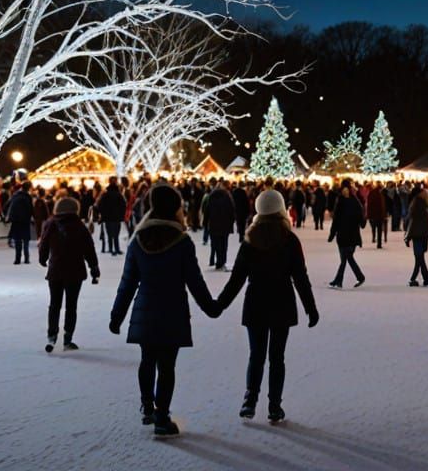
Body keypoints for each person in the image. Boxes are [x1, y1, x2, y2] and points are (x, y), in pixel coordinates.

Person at [109, 184, 221, 438]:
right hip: (172, 310)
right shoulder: (181, 242)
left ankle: (148, 406)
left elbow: (127, 282)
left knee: (147, 359)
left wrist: (117, 315)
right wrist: (211, 307)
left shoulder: (138, 240)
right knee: (167, 365)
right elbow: (195, 281)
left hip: (145, 309)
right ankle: (162, 416)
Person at [215, 189, 319, 423]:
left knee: (256, 355)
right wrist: (310, 308)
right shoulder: (289, 240)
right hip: (281, 302)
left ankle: (250, 400)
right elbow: (300, 277)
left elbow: (237, 279)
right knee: (277, 357)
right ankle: (274, 405)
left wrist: (219, 305)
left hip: (256, 303)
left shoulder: (251, 240)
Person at [39, 196, 100, 352]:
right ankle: (68, 338)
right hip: (75, 271)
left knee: (54, 305)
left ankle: (51, 336)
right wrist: (94, 267)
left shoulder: (51, 224)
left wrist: (43, 258)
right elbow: (89, 248)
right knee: (71, 306)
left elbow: (44, 243)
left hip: (56, 270)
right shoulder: (79, 226)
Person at [327, 180, 366, 288]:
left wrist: (362, 222)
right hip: (346, 234)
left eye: (346, 189)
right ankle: (340, 280)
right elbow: (337, 220)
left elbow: (359, 215)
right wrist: (332, 234)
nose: (345, 191)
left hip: (349, 234)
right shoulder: (347, 201)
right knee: (346, 258)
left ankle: (342, 279)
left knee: (346, 257)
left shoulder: (350, 201)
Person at [406, 186, 428, 286]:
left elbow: (412, 221)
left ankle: (424, 280)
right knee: (419, 258)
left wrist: (408, 235)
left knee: (419, 258)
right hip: (422, 234)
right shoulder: (423, 203)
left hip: (417, 234)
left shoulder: (416, 203)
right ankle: (416, 278)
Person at [204, 180, 236, 270]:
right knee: (224, 245)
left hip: (214, 224)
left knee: (216, 244)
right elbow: (231, 211)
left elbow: (207, 211)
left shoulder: (211, 197)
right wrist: (231, 222)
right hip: (225, 225)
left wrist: (205, 223)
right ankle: (222, 262)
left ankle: (217, 262)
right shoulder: (227, 197)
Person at [97, 179, 127, 256]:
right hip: (117, 217)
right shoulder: (119, 195)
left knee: (109, 234)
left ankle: (110, 248)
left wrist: (102, 214)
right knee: (116, 234)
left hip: (108, 218)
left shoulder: (105, 195)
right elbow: (123, 205)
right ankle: (117, 248)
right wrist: (121, 215)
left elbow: (100, 205)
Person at [7, 181, 34, 264]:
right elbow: (30, 209)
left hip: (16, 221)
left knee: (18, 240)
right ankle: (26, 258)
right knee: (26, 240)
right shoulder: (28, 197)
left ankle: (17, 259)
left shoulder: (16, 195)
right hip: (25, 221)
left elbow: (10, 206)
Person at [366, 184, 387, 248]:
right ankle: (379, 244)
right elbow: (382, 206)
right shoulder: (379, 195)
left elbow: (369, 205)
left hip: (374, 215)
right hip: (379, 215)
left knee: (374, 228)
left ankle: (375, 239)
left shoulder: (372, 194)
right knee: (379, 229)